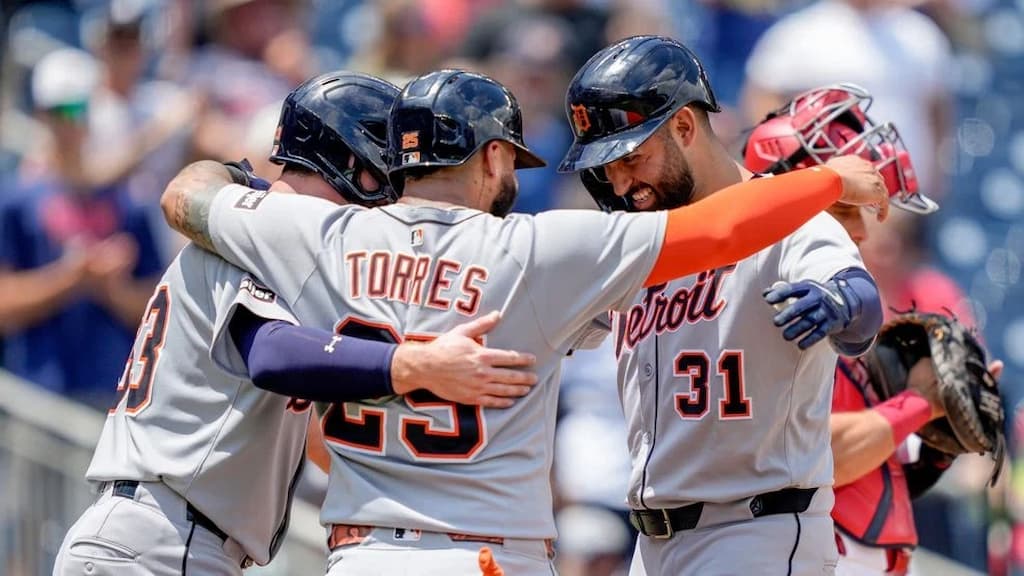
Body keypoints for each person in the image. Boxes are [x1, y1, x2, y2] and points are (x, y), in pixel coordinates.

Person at [160, 66, 889, 575]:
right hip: (484, 552)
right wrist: (824, 179)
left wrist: (237, 181)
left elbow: (184, 200)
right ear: (495, 154)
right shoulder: (538, 250)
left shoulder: (319, 238)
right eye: (512, 162)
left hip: (358, 552)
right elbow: (718, 231)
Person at [52, 71, 539, 576]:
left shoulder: (266, 232)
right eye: (388, 170)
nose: (397, 194)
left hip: (168, 536)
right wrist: (411, 365)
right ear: (353, 161)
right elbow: (272, 353)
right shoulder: (262, 236)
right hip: (162, 537)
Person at [556, 36, 884, 575]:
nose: (620, 182)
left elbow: (861, 301)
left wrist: (836, 301)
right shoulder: (639, 243)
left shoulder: (789, 218)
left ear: (685, 127)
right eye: (606, 167)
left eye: (632, 157)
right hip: (650, 541)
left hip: (756, 529)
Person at [742, 83, 999, 576]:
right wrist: (923, 401)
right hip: (798, 550)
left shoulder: (825, 298)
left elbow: (864, 462)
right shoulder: (775, 297)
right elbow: (821, 453)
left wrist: (936, 439)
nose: (862, 230)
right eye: (844, 207)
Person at [0, 48, 162, 409]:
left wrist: (111, 289)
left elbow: (160, 314)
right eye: (60, 111)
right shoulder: (15, 200)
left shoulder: (130, 205)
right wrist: (70, 278)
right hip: (37, 401)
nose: (70, 122)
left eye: (78, 109)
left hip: (110, 399)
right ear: (42, 115)